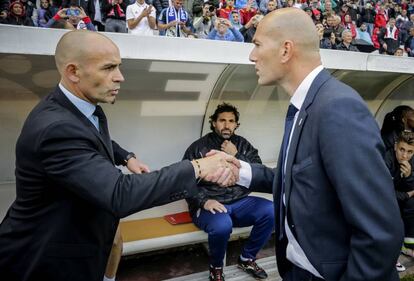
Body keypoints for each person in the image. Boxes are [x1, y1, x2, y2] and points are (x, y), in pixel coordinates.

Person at [0, 30, 240, 281]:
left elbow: (96, 142)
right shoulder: (56, 128)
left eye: (119, 67)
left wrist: (127, 158)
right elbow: (119, 194)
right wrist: (197, 167)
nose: (120, 77)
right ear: (73, 72)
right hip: (46, 260)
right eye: (108, 68)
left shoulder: (83, 109)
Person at [246, 7, 403, 280]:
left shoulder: (337, 108)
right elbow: (303, 181)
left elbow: (379, 232)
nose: (252, 55)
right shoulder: (304, 106)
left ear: (286, 50)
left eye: (257, 44)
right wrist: (241, 172)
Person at [183, 103, 274, 281]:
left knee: (272, 210)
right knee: (222, 225)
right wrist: (204, 201)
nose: (227, 125)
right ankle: (216, 267)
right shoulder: (198, 147)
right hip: (210, 203)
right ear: (213, 123)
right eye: (222, 120)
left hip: (239, 202)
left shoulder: (241, 144)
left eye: (231, 121)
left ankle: (247, 258)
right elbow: (184, 182)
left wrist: (237, 154)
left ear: (236, 125)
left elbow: (258, 170)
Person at [385, 132, 414, 260]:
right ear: (396, 146)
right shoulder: (386, 159)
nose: (405, 156)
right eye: (402, 149)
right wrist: (407, 194)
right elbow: (383, 191)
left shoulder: (412, 160)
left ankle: (409, 245)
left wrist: (409, 177)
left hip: (400, 196)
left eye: (410, 152)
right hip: (385, 199)